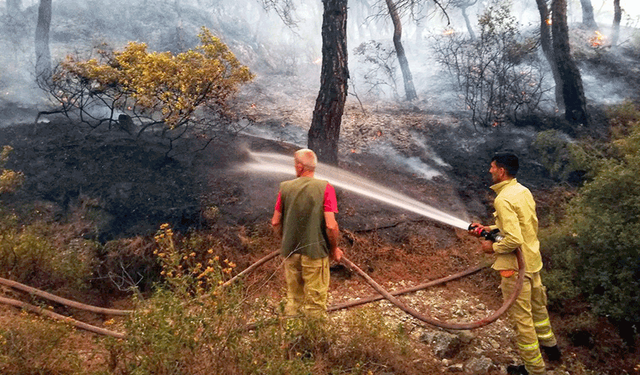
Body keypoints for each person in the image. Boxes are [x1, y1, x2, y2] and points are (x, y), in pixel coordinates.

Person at [469, 153, 561, 375]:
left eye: (492, 167)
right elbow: (519, 228)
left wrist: (492, 247)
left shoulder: (503, 200)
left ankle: (534, 369)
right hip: (532, 262)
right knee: (538, 308)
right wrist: (488, 230)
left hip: (515, 268)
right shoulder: (522, 191)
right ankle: (551, 349)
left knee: (522, 320)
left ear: (501, 171)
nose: (489, 171)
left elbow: (512, 239)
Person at [271, 148, 343, 319]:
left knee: (294, 299)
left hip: (290, 252)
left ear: (301, 167)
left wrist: (286, 240)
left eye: (296, 165)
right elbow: (331, 226)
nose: (295, 168)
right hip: (315, 254)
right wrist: (334, 249)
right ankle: (313, 343)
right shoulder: (326, 188)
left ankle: (291, 340)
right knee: (315, 303)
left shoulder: (285, 188)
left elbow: (275, 222)